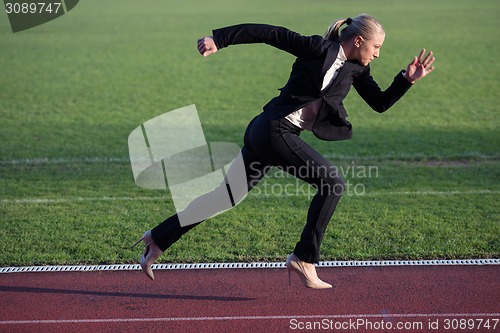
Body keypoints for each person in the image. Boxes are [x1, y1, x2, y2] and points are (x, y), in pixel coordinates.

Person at [132, 14, 435, 289]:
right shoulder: (317, 48)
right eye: (376, 46)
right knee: (333, 184)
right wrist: (219, 39)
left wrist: (406, 80)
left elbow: (379, 103)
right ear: (358, 41)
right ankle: (304, 258)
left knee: (225, 196)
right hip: (272, 129)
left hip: (270, 132)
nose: (377, 53)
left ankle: (158, 238)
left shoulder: (356, 69)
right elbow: (270, 33)